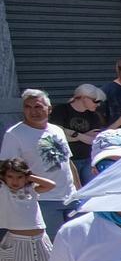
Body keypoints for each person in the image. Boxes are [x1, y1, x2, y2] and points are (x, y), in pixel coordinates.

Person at [2, 91, 75, 234]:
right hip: (43, 199)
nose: (32, 111)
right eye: (27, 107)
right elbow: (7, 169)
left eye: (37, 107)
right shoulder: (14, 134)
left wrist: (78, 191)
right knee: (53, 245)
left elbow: (68, 162)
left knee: (77, 243)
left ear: (49, 109)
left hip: (70, 197)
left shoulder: (57, 130)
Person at [0, 158, 54, 261]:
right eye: (10, 177)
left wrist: (29, 177)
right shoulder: (3, 191)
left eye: (19, 177)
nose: (15, 181)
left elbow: (51, 185)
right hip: (17, 238)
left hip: (39, 237)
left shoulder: (32, 190)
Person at [56, 86, 107, 183]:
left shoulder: (94, 116)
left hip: (88, 159)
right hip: (68, 160)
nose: (98, 104)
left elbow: (94, 140)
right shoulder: (61, 110)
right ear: (84, 98)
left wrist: (74, 134)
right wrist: (85, 135)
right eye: (96, 101)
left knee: (90, 189)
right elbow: (58, 136)